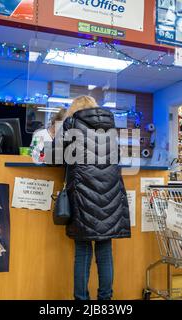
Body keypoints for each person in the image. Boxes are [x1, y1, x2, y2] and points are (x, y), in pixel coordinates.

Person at [55, 96, 131, 300]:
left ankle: (81, 299)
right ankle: (105, 299)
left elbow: (55, 155)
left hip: (82, 196)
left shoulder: (71, 124)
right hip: (110, 197)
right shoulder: (111, 128)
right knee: (105, 252)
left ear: (74, 109)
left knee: (83, 251)